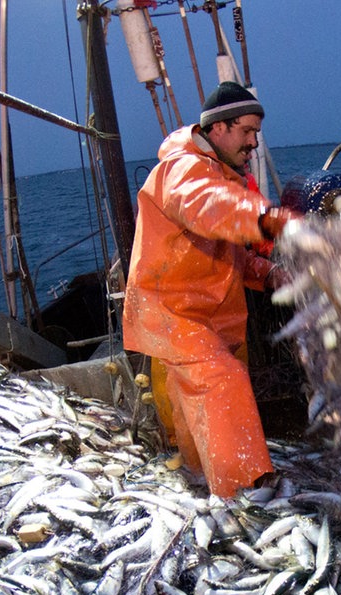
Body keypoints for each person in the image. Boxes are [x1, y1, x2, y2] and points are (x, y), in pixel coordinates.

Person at [122, 82, 299, 497]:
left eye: (257, 133)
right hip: (173, 310)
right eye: (247, 131)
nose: (254, 142)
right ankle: (245, 494)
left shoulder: (222, 175)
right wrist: (269, 219)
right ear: (218, 128)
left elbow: (229, 253)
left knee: (195, 403)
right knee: (222, 380)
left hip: (207, 314)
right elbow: (208, 208)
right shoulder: (182, 170)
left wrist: (270, 273)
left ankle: (200, 476)